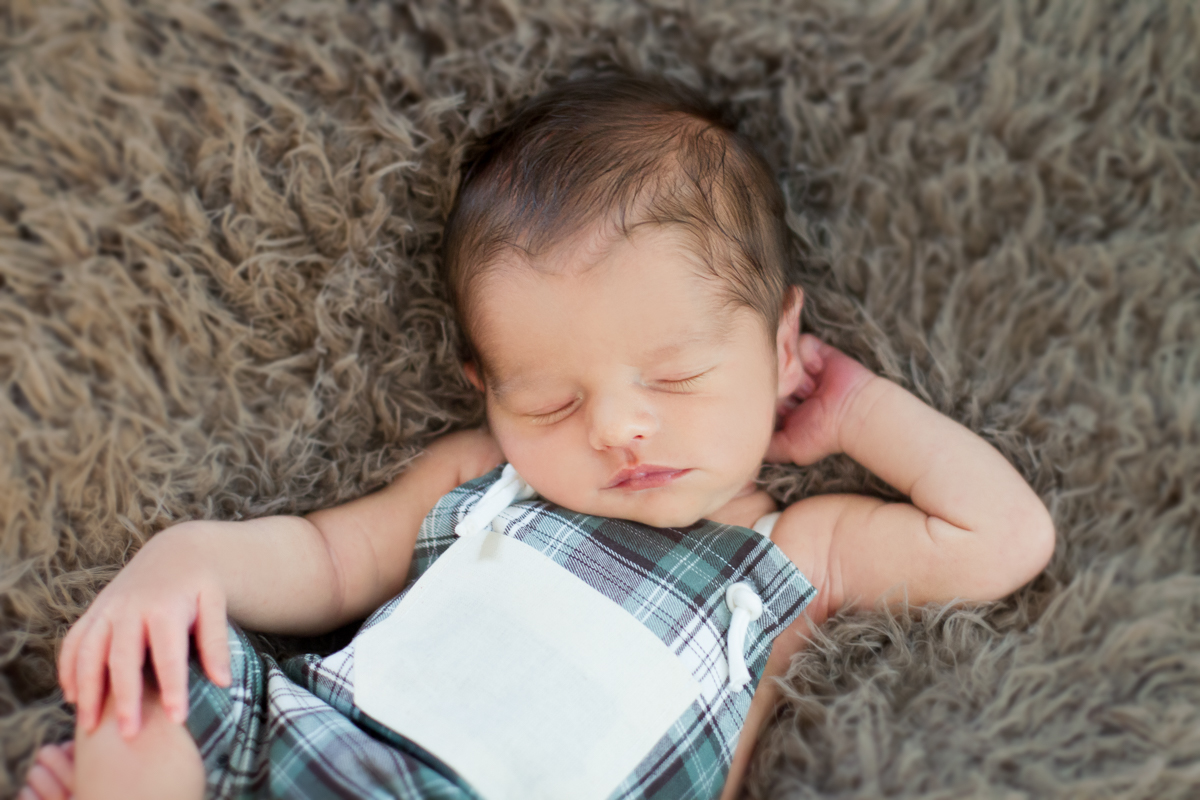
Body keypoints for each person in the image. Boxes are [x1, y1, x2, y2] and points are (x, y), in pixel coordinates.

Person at [20, 72, 1055, 800]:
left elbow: (1003, 538)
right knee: (145, 686)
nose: (615, 426)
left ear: (785, 343)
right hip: (309, 743)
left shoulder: (795, 555)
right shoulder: (491, 478)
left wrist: (858, 409)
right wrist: (185, 559)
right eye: (550, 400)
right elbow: (332, 554)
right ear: (486, 390)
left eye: (678, 374)